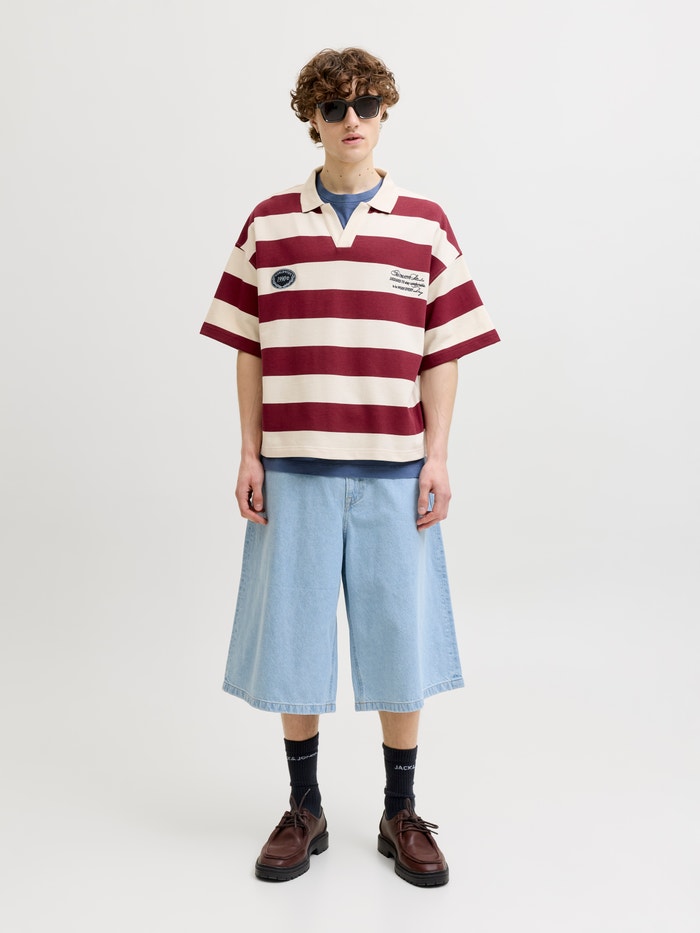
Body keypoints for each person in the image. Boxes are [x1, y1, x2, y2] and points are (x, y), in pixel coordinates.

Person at [200, 46, 499, 887]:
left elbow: (442, 351)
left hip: (395, 472)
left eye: (367, 104)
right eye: (334, 107)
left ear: (385, 112)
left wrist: (439, 456)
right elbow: (250, 348)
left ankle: (400, 810)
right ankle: (306, 806)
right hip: (293, 469)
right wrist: (249, 450)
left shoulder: (425, 223)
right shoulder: (268, 223)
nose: (352, 120)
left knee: (400, 637)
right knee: (293, 638)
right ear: (313, 119)